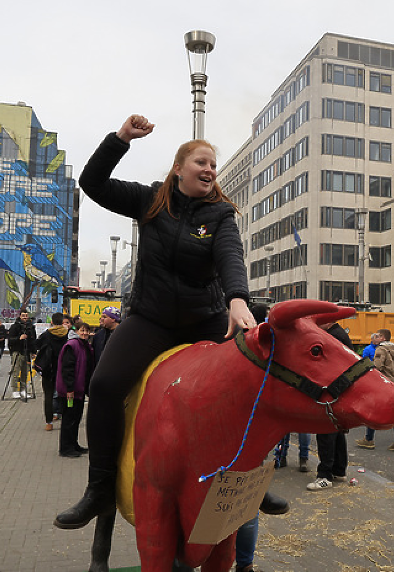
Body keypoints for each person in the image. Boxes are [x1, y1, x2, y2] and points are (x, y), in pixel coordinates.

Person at [54, 114, 263, 531]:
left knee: (246, 384)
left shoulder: (219, 215)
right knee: (104, 385)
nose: (209, 170)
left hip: (205, 320)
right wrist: (120, 139)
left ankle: (244, 475)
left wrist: (238, 299)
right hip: (151, 320)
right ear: (178, 167)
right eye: (201, 162)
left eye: (213, 166)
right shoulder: (150, 201)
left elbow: (229, 258)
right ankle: (99, 488)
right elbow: (92, 184)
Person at [306, 320, 354, 491]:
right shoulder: (339, 334)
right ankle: (339, 470)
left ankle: (324, 475)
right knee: (337, 431)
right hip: (339, 390)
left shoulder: (333, 337)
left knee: (325, 431)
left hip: (332, 390)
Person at [356, 329, 394, 451]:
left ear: (383, 338)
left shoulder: (381, 349)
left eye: (377, 336)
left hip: (383, 384)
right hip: (393, 382)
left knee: (373, 409)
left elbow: (377, 367)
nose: (375, 338)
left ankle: (368, 440)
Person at [57, 322, 95, 457]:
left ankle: (74, 444)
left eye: (87, 331)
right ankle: (65, 448)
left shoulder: (86, 346)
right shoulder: (72, 346)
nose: (84, 333)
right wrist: (69, 389)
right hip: (70, 391)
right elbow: (68, 369)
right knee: (68, 418)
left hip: (79, 390)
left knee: (76, 418)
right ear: (76, 331)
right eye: (82, 330)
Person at [36, 312, 70, 431]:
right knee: (66, 395)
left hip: (48, 369)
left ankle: (49, 422)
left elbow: (37, 345)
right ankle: (66, 418)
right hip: (64, 368)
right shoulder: (68, 334)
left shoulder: (46, 334)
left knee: (48, 396)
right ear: (62, 321)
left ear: (52, 322)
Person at [8, 310, 36, 398]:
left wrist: (33, 351)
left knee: (25, 372)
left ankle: (23, 390)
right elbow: (10, 340)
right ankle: (15, 390)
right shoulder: (14, 326)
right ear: (20, 316)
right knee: (15, 371)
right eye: (23, 315)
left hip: (27, 352)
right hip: (17, 351)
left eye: (26, 315)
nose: (25, 317)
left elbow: (33, 340)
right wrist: (19, 338)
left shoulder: (31, 327)